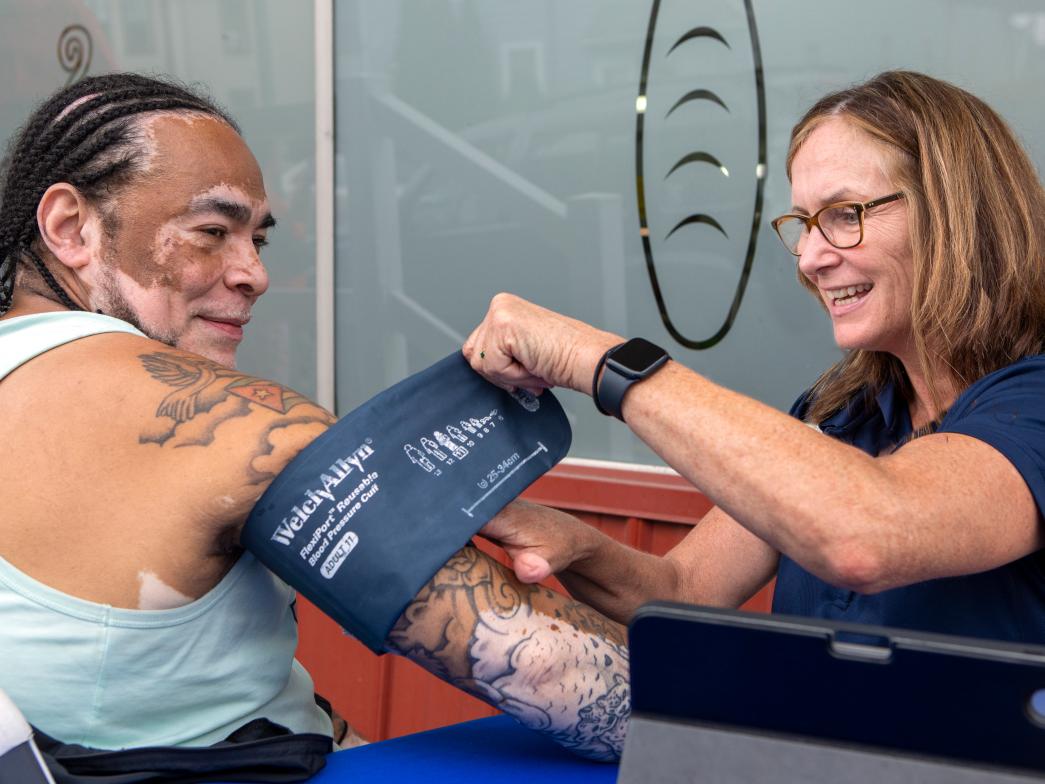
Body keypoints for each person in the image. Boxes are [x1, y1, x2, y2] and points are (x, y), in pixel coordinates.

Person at [0, 73, 627, 763]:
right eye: (212, 231)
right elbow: (557, 672)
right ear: (70, 227)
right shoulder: (231, 424)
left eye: (257, 242)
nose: (254, 275)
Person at [469, 70, 1045, 645]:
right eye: (804, 224)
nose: (810, 259)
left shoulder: (1034, 401)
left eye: (846, 214)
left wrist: (596, 360)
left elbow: (866, 534)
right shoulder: (842, 411)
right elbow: (684, 588)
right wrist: (574, 544)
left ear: (955, 214)